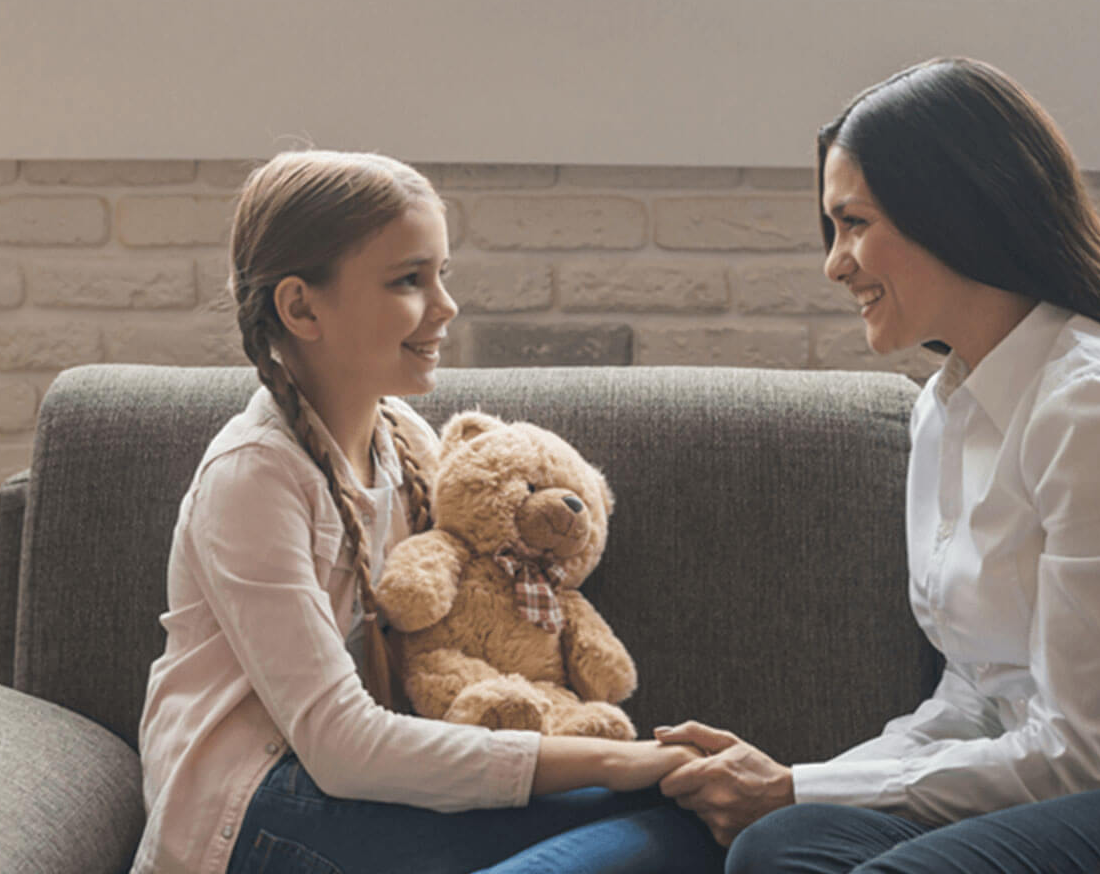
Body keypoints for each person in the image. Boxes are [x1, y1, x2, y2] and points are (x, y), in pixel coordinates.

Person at [652, 57, 1100, 873]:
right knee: (779, 850)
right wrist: (787, 790)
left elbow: (1087, 759)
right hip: (1085, 793)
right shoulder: (948, 407)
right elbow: (977, 698)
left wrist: (798, 785)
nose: (834, 264)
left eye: (854, 223)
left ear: (953, 214)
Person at [131, 150, 724, 874]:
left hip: (365, 788)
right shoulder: (255, 479)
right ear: (301, 306)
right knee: (660, 813)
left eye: (442, 274)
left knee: (685, 820)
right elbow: (343, 748)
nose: (444, 307)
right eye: (409, 280)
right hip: (256, 812)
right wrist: (607, 756)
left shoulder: (406, 441)